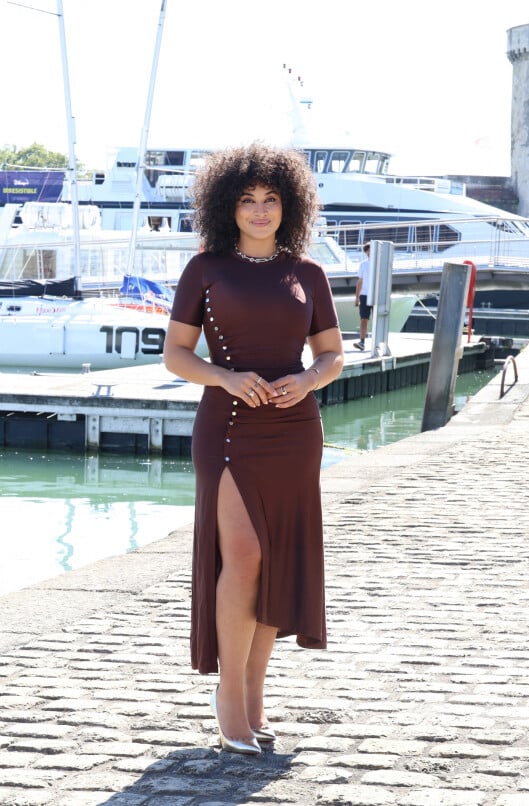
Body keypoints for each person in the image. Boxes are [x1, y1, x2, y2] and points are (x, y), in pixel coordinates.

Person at [163, 142, 344, 756]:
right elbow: (176, 356)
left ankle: (257, 697)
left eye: (271, 199)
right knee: (241, 557)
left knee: (275, 563)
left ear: (288, 206)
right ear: (227, 205)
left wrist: (309, 379)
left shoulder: (308, 274)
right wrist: (225, 376)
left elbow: (332, 355)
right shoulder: (205, 270)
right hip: (230, 427)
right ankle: (230, 701)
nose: (261, 210)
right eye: (248, 199)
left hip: (295, 431)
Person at [354, 241, 372, 350]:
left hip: (377, 295)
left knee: (378, 318)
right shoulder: (363, 264)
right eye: (368, 250)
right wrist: (357, 297)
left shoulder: (380, 263)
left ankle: (378, 342)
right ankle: (362, 341)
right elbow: (360, 281)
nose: (369, 252)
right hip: (364, 295)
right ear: (366, 252)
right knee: (363, 319)